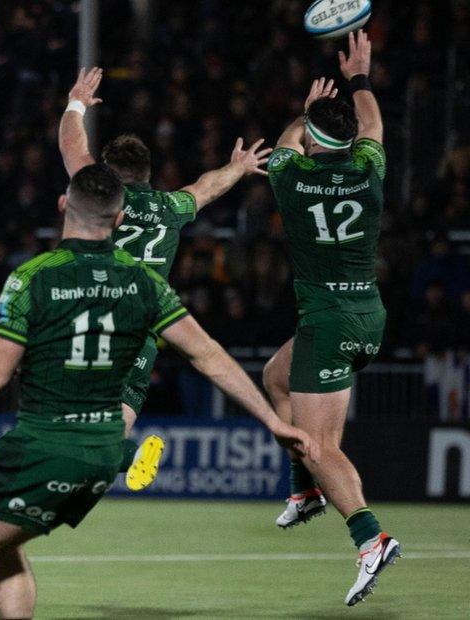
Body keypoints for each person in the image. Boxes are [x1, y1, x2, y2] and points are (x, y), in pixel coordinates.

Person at [0, 164, 318, 619]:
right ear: (117, 221)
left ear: (62, 206)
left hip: (44, 446)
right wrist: (273, 420)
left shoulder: (32, 277)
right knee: (4, 544)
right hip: (102, 454)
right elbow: (208, 355)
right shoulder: (146, 283)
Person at [59, 67, 272, 477]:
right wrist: (239, 167)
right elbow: (206, 187)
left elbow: (71, 146)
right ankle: (127, 454)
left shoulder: (101, 194)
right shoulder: (170, 208)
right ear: (147, 175)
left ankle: (116, 455)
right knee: (109, 430)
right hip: (146, 324)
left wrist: (76, 104)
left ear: (108, 171)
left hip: (96, 315)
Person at [263, 31, 399, 606]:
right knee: (275, 377)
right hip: (367, 313)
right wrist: (360, 76)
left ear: (314, 142)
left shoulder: (292, 181)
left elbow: (284, 143)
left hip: (328, 322)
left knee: (320, 444)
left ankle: (371, 538)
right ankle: (306, 492)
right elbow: (372, 125)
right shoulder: (368, 169)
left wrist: (301, 113)